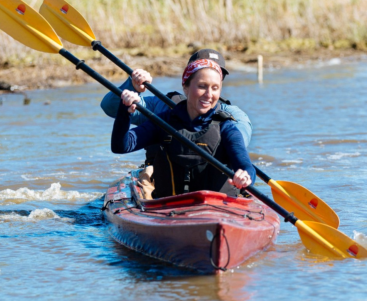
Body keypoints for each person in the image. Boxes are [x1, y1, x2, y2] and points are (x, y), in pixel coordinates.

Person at [100, 49, 253, 198]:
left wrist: (244, 174)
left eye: (215, 85)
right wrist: (130, 90)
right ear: (186, 84)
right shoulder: (162, 114)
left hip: (216, 204)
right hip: (167, 195)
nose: (208, 93)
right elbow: (114, 118)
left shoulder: (229, 120)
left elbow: (241, 151)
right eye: (202, 84)